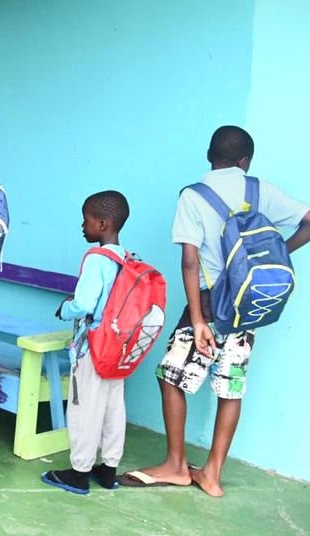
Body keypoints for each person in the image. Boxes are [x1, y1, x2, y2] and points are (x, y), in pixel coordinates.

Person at [121, 126, 310, 496]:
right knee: (231, 385)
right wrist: (279, 253)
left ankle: (176, 465)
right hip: (248, 307)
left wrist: (195, 318)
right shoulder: (261, 190)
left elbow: (189, 261)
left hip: (208, 306)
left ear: (210, 156)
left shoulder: (194, 196)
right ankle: (212, 473)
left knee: (169, 377)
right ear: (245, 161)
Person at [40, 191, 130, 495]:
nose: (82, 225)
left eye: (87, 220)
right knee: (113, 408)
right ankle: (108, 469)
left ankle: (78, 473)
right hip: (118, 349)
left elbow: (84, 303)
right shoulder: (126, 259)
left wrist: (65, 309)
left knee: (83, 408)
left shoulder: (97, 259)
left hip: (93, 347)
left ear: (102, 223)